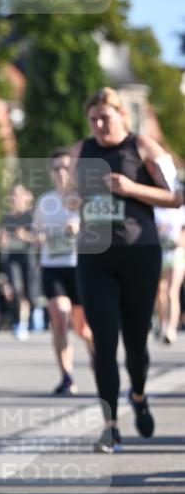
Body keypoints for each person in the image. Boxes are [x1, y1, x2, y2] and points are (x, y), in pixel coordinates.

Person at [71, 87, 182, 453]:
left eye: (106, 117)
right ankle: (110, 426)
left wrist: (133, 187)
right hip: (94, 255)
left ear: (122, 116)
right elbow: (69, 196)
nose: (100, 125)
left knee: (135, 345)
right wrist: (72, 201)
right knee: (103, 342)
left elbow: (176, 196)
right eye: (93, 119)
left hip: (139, 253)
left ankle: (138, 393)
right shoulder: (81, 151)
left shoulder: (143, 146)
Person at [32, 148, 94, 395]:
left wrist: (78, 229)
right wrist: (41, 237)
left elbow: (100, 232)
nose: (60, 172)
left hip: (79, 266)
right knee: (60, 317)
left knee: (83, 328)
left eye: (65, 167)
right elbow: (35, 232)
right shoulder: (45, 201)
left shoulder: (83, 199)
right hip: (53, 266)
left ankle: (97, 361)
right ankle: (67, 376)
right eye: (55, 168)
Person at [0, 182, 37, 340]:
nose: (15, 198)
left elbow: (40, 239)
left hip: (29, 258)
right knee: (17, 290)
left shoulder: (32, 217)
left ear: (26, 197)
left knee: (30, 294)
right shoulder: (5, 219)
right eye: (12, 194)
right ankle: (21, 323)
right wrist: (1, 240)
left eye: (18, 194)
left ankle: (26, 318)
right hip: (12, 258)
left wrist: (25, 236)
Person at [154, 201, 185, 344]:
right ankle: (163, 324)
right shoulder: (155, 209)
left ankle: (171, 329)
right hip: (159, 253)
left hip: (177, 254)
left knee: (173, 291)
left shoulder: (180, 209)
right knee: (161, 292)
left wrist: (179, 241)